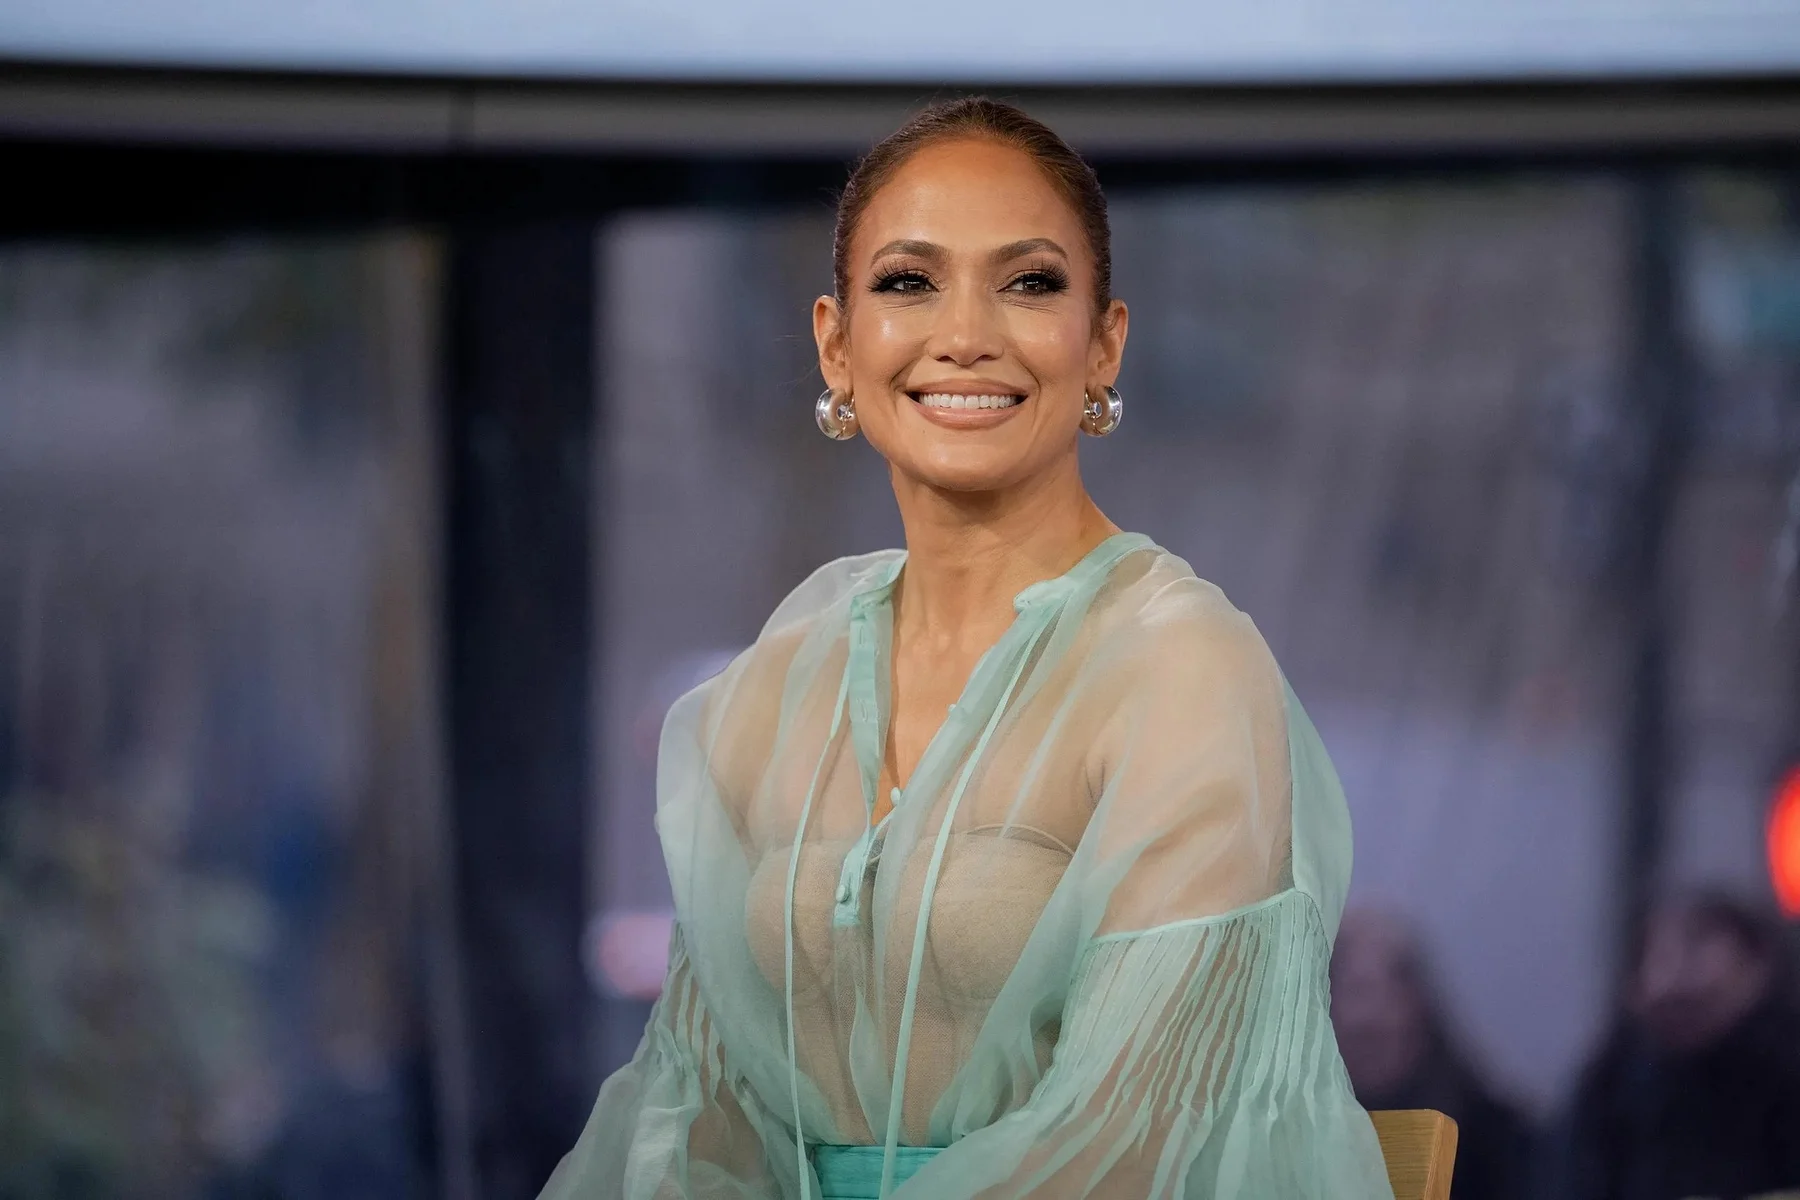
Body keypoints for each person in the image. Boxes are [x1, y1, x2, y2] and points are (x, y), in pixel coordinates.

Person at [538, 97, 1393, 1200]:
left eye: (1029, 283)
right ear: (836, 345)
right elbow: (695, 1112)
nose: (967, 333)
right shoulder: (776, 688)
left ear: (1104, 344)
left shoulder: (1181, 668)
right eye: (909, 282)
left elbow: (1135, 1142)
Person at [1553, 889, 1800, 1200]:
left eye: (1696, 944)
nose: (1674, 976)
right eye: (1659, 954)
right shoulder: (1611, 1085)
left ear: (1756, 963)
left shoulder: (1786, 1071)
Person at [1332, 910, 1533, 1200]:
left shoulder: (1495, 1141)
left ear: (1423, 1010)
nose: (1370, 1014)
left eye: (1390, 990)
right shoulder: (1288, 1144)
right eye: (1356, 990)